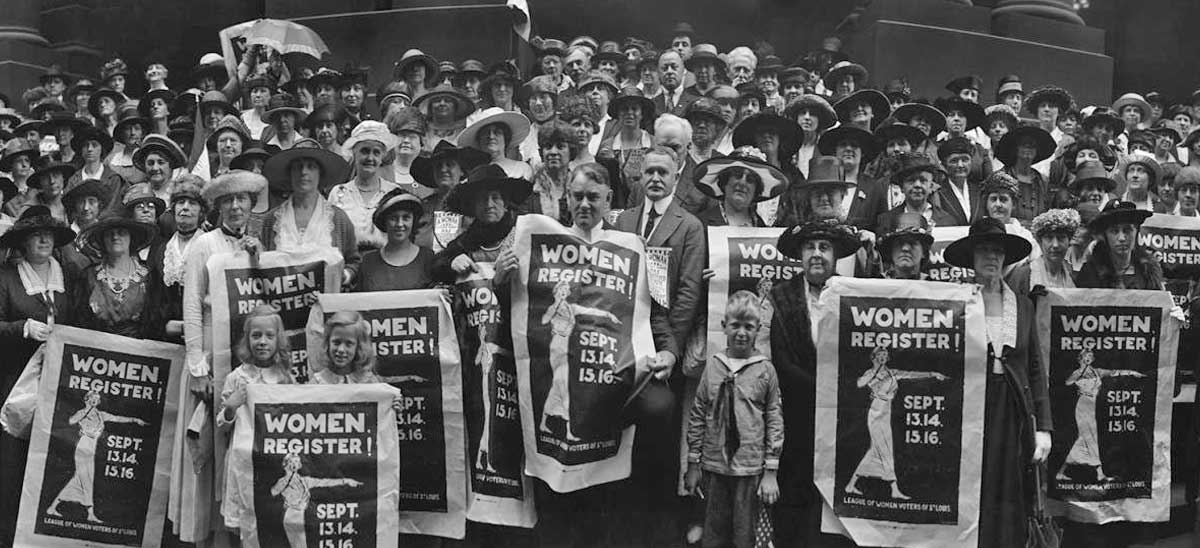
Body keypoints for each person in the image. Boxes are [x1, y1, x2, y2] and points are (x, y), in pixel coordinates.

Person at [942, 217, 1051, 548]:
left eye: (998, 252)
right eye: (984, 251)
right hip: (970, 410)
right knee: (971, 487)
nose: (991, 258)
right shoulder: (955, 303)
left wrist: (1043, 427)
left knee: (1009, 490)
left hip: (1012, 409)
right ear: (972, 258)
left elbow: (1034, 367)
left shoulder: (1023, 306)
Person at [769, 219, 860, 546]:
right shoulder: (781, 298)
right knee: (793, 502)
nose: (817, 254)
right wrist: (821, 389)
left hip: (841, 420)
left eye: (824, 247)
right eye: (810, 247)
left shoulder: (854, 296)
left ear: (835, 255)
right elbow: (781, 359)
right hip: (797, 418)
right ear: (800, 254)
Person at [0, 206, 77, 546]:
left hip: (58, 383)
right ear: (24, 241)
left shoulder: (68, 274)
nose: (44, 240)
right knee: (12, 461)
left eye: (49, 235)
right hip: (14, 382)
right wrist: (22, 328)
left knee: (53, 460)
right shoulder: (6, 277)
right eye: (36, 235)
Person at [684, 290, 783, 548]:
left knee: (744, 534)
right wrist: (693, 464)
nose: (741, 332)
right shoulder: (713, 366)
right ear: (723, 326)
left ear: (758, 329)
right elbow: (697, 415)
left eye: (748, 327)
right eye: (735, 325)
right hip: (713, 466)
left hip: (750, 468)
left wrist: (771, 471)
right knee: (713, 532)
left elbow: (774, 419)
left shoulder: (765, 370)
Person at [844, 346, 948, 500]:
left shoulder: (893, 373)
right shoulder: (870, 373)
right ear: (873, 357)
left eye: (885, 355)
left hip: (886, 413)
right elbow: (860, 384)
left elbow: (911, 375)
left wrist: (933, 374)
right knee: (884, 450)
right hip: (875, 413)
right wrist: (875, 372)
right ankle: (894, 489)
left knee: (876, 451)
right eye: (880, 355)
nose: (883, 358)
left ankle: (851, 485)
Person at [260, 141, 360, 288]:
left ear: (320, 173)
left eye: (311, 167)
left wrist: (343, 276)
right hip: (283, 306)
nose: (303, 172)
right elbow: (263, 264)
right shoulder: (272, 220)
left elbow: (354, 261)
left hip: (327, 304)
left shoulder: (338, 218)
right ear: (290, 174)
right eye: (297, 167)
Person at [44, 388, 148, 523]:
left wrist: (135, 420)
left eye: (97, 399)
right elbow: (71, 421)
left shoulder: (101, 415)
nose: (96, 400)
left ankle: (52, 508)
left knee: (79, 480)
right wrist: (87, 410)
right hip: (83, 447)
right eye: (93, 398)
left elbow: (117, 418)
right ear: (87, 399)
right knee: (87, 479)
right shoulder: (81, 413)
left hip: (91, 448)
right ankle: (90, 515)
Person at [72, 205, 164, 339]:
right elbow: (79, 323)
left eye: (121, 232)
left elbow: (158, 323)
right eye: (109, 234)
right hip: (95, 351)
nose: (115, 237)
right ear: (102, 240)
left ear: (131, 237)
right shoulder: (88, 276)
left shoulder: (151, 276)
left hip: (139, 352)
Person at [430, 164, 531, 285]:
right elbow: (435, 266)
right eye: (482, 199)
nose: (489, 205)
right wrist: (451, 263)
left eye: (495, 198)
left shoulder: (523, 236)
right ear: (474, 207)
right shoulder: (464, 242)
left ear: (506, 204)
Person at [1056, 348, 1144, 483]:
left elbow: (1114, 372)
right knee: (1089, 438)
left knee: (1086, 439)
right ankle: (1100, 474)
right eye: (1086, 356)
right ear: (1081, 358)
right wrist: (1081, 373)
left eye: (1091, 356)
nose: (1089, 358)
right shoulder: (1077, 373)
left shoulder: (1097, 372)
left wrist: (1132, 372)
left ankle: (1062, 473)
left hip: (1092, 406)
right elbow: (1067, 382)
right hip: (1083, 405)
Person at [217, 304, 294, 430]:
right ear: (247, 339)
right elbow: (222, 428)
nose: (262, 342)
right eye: (256, 335)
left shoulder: (285, 378)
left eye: (269, 336)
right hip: (244, 448)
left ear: (278, 339)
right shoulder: (236, 377)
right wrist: (231, 407)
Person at [328, 121, 400, 251]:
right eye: (365, 151)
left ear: (382, 157)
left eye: (376, 152)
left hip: (384, 265)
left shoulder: (394, 193)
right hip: (348, 265)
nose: (370, 158)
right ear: (354, 153)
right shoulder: (338, 193)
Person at [357, 189, 434, 291]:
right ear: (385, 221)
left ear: (413, 221)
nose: (399, 224)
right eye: (393, 218)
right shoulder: (369, 262)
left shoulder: (427, 258)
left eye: (406, 218)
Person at [1076, 199, 1162, 290]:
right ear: (1105, 236)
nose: (1122, 238)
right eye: (1114, 231)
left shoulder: (1147, 271)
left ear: (1136, 232)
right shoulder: (1090, 272)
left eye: (1127, 230)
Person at [693, 146, 787, 227]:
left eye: (750, 179)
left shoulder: (762, 229)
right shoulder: (701, 225)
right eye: (737, 175)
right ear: (725, 182)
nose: (742, 182)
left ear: (756, 190)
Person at [600, 87, 656, 203]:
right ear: (618, 113)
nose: (629, 113)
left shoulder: (653, 143)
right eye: (625, 109)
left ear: (642, 114)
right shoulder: (607, 146)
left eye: (634, 109)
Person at [875, 152, 957, 233]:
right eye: (911, 180)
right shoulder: (886, 221)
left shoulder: (948, 221)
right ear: (901, 187)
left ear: (931, 186)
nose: (917, 185)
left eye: (923, 180)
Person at [1007, 208, 1080, 296]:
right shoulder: (1022, 276)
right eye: (1049, 238)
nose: (1055, 245)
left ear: (1069, 241)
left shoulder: (1073, 276)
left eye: (1061, 238)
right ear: (1040, 241)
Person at [995, 125, 1056, 223]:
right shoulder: (1000, 178)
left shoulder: (1043, 181)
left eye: (1032, 145)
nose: (1028, 148)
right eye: (1024, 144)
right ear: (1015, 148)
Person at [459, 107, 534, 179]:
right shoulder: (473, 173)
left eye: (497, 132)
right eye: (486, 133)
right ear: (479, 140)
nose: (491, 136)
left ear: (505, 138)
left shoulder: (522, 169)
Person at [525, 120, 575, 225]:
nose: (553, 152)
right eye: (548, 147)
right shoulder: (529, 190)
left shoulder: (581, 185)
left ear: (571, 151)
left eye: (560, 146)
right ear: (541, 152)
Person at [414, 83, 476, 151]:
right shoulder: (420, 131)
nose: (442, 104)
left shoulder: (464, 132)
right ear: (430, 107)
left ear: (455, 106)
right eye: (437, 101)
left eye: (447, 101)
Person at [937, 137, 981, 225]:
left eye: (965, 160)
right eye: (954, 161)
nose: (960, 165)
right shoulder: (938, 192)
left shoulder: (980, 190)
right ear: (944, 165)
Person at [876, 211, 934, 280]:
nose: (905, 248)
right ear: (891, 250)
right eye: (900, 243)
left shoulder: (934, 288)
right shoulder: (876, 286)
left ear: (924, 252)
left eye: (912, 243)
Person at [654, 50, 700, 117]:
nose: (669, 71)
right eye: (664, 68)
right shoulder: (652, 104)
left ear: (683, 70)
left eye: (674, 67)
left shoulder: (695, 102)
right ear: (658, 72)